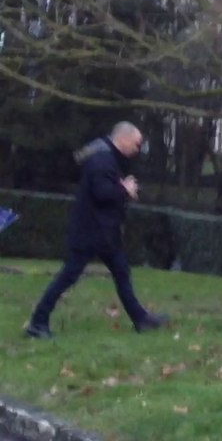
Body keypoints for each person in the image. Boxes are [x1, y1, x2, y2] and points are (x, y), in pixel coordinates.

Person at [24, 122, 169, 339]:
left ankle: (141, 319)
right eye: (136, 144)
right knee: (68, 276)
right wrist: (125, 190)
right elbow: (102, 193)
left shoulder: (106, 156)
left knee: (121, 273)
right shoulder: (102, 159)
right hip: (91, 233)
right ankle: (37, 322)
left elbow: (105, 188)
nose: (138, 149)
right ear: (123, 139)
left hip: (105, 233)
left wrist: (123, 188)